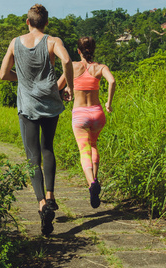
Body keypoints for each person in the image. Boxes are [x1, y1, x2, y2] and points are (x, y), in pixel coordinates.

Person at [0, 4, 74, 236]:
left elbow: (3, 74)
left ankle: (42, 204)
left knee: (33, 157)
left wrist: (21, 79)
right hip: (50, 104)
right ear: (46, 23)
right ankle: (51, 197)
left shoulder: (15, 43)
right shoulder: (52, 41)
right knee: (47, 148)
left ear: (27, 22)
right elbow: (68, 61)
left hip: (27, 106)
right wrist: (68, 86)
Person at [68, 36, 116, 208]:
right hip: (97, 114)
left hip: (80, 115)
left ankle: (91, 184)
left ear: (79, 50)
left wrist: (67, 90)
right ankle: (95, 179)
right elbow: (112, 81)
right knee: (93, 145)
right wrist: (109, 103)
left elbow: (58, 84)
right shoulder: (100, 68)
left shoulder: (72, 66)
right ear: (93, 50)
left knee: (84, 150)